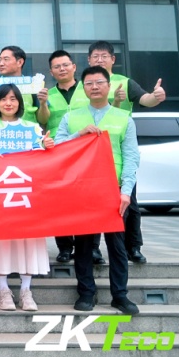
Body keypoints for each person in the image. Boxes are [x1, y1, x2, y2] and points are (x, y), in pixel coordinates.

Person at [56, 66, 141, 316]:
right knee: (83, 244)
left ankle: (120, 295)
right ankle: (86, 292)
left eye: (99, 82)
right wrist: (78, 134)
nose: (94, 87)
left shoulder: (123, 118)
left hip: (114, 189)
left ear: (109, 86)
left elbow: (131, 157)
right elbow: (56, 147)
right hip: (82, 189)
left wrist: (126, 191)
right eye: (89, 83)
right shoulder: (71, 117)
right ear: (83, 88)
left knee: (117, 245)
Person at [0, 84, 54, 312]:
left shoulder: (33, 128)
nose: (8, 103)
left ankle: (26, 291)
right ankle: (3, 290)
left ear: (20, 102)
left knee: (28, 240)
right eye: (3, 99)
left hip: (26, 193)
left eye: (13, 99)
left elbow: (44, 161)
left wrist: (49, 147)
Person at [87, 41, 166, 265]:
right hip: (90, 151)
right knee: (92, 202)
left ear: (113, 59)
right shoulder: (84, 84)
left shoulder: (124, 82)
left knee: (129, 201)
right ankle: (93, 248)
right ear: (89, 60)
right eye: (95, 56)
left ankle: (133, 247)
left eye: (104, 56)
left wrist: (156, 96)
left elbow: (145, 100)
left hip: (119, 149)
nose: (99, 60)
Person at [43, 50, 93, 265]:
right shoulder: (47, 94)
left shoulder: (87, 89)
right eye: (57, 66)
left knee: (87, 199)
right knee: (60, 201)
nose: (61, 69)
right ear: (51, 72)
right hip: (58, 151)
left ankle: (92, 248)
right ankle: (64, 247)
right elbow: (42, 121)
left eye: (65, 65)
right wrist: (42, 103)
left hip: (86, 150)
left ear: (74, 67)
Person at [0, 46, 48, 125]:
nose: (1, 64)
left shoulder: (33, 84)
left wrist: (43, 104)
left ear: (20, 62)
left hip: (26, 131)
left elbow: (43, 120)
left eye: (6, 59)